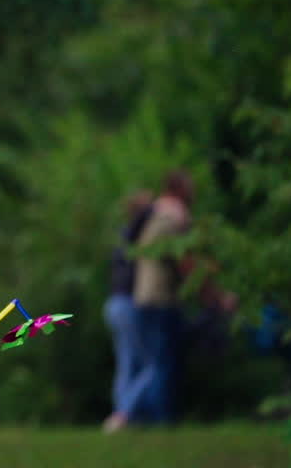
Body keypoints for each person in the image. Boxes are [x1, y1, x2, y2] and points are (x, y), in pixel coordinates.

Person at [126, 170, 195, 426]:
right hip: (160, 297)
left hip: (142, 295)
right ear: (179, 189)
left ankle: (150, 416)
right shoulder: (173, 213)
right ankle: (161, 418)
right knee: (163, 361)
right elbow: (183, 258)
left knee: (153, 360)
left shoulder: (153, 212)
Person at [102, 191, 153, 433]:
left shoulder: (123, 235)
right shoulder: (136, 233)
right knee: (150, 364)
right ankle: (123, 414)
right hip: (128, 305)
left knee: (127, 363)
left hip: (114, 303)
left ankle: (124, 414)